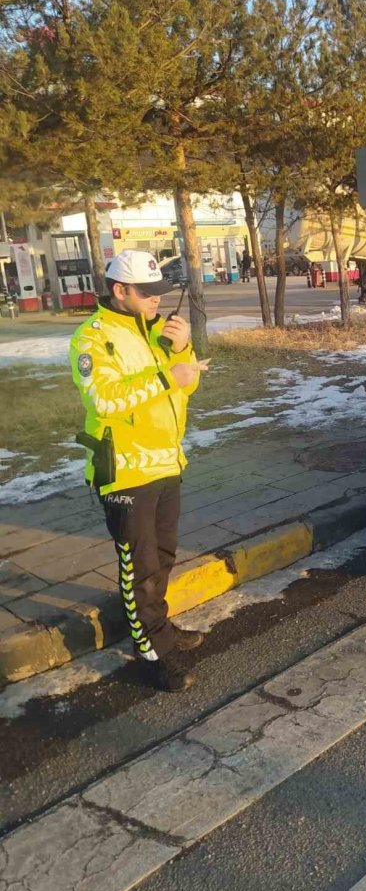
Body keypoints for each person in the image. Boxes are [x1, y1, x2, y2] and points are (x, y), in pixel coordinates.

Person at [69, 250, 209, 692]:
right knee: (139, 566)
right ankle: (150, 649)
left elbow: (183, 389)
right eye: (146, 294)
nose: (155, 300)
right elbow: (105, 400)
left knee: (163, 556)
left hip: (166, 460)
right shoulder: (91, 340)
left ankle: (160, 629)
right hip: (126, 471)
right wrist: (170, 376)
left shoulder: (153, 333)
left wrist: (182, 349)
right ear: (119, 290)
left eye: (158, 292)